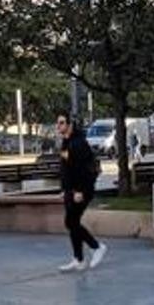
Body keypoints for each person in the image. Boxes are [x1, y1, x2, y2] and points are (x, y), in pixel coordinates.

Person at [56, 114, 108, 272]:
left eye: (62, 123)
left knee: (71, 222)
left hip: (81, 191)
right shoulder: (66, 142)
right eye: (57, 123)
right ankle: (78, 259)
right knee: (73, 223)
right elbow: (67, 169)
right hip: (70, 191)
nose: (58, 126)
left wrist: (80, 191)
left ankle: (97, 247)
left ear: (70, 125)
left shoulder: (78, 143)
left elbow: (84, 171)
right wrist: (64, 189)